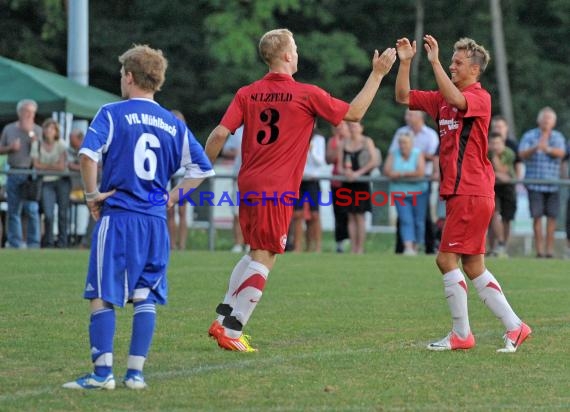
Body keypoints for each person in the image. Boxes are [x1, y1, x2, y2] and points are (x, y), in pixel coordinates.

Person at [204, 28, 396, 352]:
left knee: (255, 250)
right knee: (267, 257)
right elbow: (355, 113)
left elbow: (220, 134)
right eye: (296, 46)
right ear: (288, 56)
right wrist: (378, 74)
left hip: (249, 182)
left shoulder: (247, 93)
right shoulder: (306, 94)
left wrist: (200, 168)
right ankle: (234, 330)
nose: (298, 51)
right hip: (276, 187)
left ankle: (223, 318)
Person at [63, 44, 214, 390]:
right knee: (145, 293)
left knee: (102, 292)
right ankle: (135, 374)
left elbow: (88, 156)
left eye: (121, 75)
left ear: (129, 77)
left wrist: (91, 196)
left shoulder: (112, 113)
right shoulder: (173, 124)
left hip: (119, 216)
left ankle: (102, 374)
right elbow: (202, 169)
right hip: (155, 222)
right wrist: (173, 197)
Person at [395, 35, 531, 352]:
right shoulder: (441, 99)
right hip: (462, 192)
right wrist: (405, 63)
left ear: (474, 69)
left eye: (457, 63)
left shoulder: (479, 98)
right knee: (472, 266)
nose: (452, 67)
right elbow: (403, 96)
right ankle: (515, 326)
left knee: (445, 259)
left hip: (470, 190)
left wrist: (433, 62)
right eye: (451, 62)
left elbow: (458, 100)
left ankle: (462, 334)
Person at [389, 109, 439, 254]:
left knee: (423, 218)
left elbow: (435, 155)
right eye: (406, 114)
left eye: (410, 114)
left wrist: (417, 155)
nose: (407, 117)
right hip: (402, 186)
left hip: (423, 181)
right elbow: (393, 153)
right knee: (404, 219)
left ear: (420, 117)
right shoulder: (400, 132)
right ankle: (405, 247)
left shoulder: (430, 134)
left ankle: (427, 247)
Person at [518, 106, 566, 258]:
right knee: (537, 217)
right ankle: (539, 251)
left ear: (554, 122)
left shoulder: (558, 137)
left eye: (549, 119)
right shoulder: (530, 135)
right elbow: (522, 154)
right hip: (534, 184)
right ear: (539, 120)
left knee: (552, 218)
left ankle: (549, 251)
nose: (546, 121)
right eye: (544, 118)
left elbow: (561, 153)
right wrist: (535, 148)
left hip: (553, 185)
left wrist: (547, 149)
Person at [0, 99, 42, 249]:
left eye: (32, 112)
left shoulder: (37, 130)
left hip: (31, 174)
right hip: (13, 171)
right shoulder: (9, 129)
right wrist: (10, 148)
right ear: (20, 113)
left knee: (32, 209)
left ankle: (33, 243)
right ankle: (15, 243)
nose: (30, 115)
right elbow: (0, 149)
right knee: (14, 209)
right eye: (27, 112)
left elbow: (43, 154)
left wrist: (35, 143)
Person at [336, 121, 380, 254]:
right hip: (348, 183)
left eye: (355, 126)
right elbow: (339, 166)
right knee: (350, 216)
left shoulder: (367, 141)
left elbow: (373, 161)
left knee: (360, 216)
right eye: (350, 126)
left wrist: (358, 173)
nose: (352, 129)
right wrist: (346, 173)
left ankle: (360, 248)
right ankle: (353, 248)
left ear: (361, 128)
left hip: (362, 183)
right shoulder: (343, 143)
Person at [383, 132, 428, 256]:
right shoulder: (394, 154)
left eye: (405, 142)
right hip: (400, 193)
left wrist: (400, 174)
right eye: (401, 142)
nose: (403, 145)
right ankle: (408, 247)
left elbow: (420, 172)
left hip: (419, 192)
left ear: (411, 143)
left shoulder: (418, 154)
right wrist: (405, 173)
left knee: (418, 220)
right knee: (405, 220)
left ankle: (418, 245)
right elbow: (387, 170)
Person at [32, 118, 70, 248]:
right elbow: (36, 165)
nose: (49, 131)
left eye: (52, 128)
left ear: (56, 131)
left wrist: (44, 166)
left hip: (61, 182)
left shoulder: (61, 144)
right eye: (47, 128)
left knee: (62, 213)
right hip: (46, 182)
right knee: (48, 214)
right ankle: (48, 243)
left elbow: (61, 166)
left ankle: (62, 243)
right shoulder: (37, 144)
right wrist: (52, 165)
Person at [292, 130, 327, 252]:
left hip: (312, 180)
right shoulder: (296, 134)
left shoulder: (319, 140)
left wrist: (311, 150)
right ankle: (297, 246)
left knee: (315, 215)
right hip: (298, 180)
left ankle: (316, 246)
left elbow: (320, 162)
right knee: (297, 214)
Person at [487, 132, 517, 257]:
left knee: (506, 218)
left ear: (503, 143)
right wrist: (499, 175)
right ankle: (496, 245)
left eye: (498, 143)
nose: (495, 146)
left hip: (507, 188)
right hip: (492, 187)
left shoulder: (509, 153)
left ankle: (503, 245)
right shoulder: (485, 152)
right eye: (492, 143)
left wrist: (494, 159)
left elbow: (501, 170)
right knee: (493, 215)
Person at [221, 125, 247, 253]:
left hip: (255, 176)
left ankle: (250, 242)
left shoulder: (264, 128)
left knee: (253, 213)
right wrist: (237, 152)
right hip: (238, 175)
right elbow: (225, 150)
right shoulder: (237, 131)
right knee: (237, 211)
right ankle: (238, 243)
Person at [166, 109, 190, 250]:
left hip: (181, 177)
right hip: (170, 177)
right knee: (170, 212)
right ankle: (171, 244)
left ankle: (182, 244)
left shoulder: (186, 138)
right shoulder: (166, 137)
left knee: (182, 212)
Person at [326, 121, 350, 252]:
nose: (339, 129)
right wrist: (339, 146)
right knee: (338, 212)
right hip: (336, 182)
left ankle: (352, 240)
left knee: (351, 213)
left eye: (342, 126)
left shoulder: (352, 140)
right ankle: (340, 241)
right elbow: (329, 159)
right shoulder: (333, 141)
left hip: (350, 182)